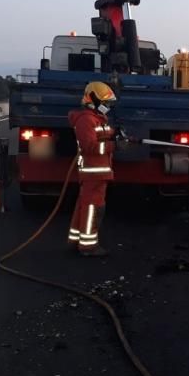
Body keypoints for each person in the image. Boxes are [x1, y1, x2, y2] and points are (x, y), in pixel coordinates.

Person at [67, 81, 117, 257]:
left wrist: (116, 134)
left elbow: (103, 134)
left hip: (98, 172)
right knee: (92, 208)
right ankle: (88, 246)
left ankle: (76, 240)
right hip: (93, 172)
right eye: (106, 103)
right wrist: (114, 146)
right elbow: (89, 147)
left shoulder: (96, 119)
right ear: (94, 100)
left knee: (84, 205)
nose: (108, 107)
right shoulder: (86, 120)